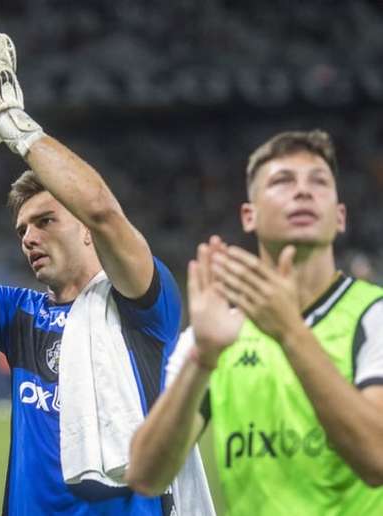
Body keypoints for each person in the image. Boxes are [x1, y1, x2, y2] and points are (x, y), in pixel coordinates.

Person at [0, 28, 212, 515]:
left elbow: (103, 208)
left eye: (45, 221)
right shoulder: (19, 316)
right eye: (22, 229)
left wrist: (13, 123)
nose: (29, 237)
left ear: (86, 231)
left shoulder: (140, 303)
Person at [126, 130, 383, 515]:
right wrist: (204, 358)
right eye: (282, 181)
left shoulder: (373, 314)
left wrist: (290, 332)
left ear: (340, 216)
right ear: (249, 215)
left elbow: (377, 458)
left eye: (319, 181)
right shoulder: (214, 334)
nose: (303, 192)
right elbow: (146, 475)